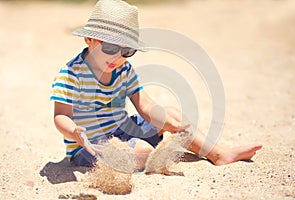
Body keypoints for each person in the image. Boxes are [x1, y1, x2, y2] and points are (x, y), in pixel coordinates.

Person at [50, 0, 262, 169]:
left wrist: (166, 121)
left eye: (127, 51)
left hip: (122, 130)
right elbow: (61, 116)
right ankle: (147, 154)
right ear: (89, 39)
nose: (117, 57)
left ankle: (218, 154)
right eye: (110, 47)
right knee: (141, 150)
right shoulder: (72, 74)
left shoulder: (123, 70)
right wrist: (75, 132)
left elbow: (145, 105)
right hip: (90, 146)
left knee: (171, 112)